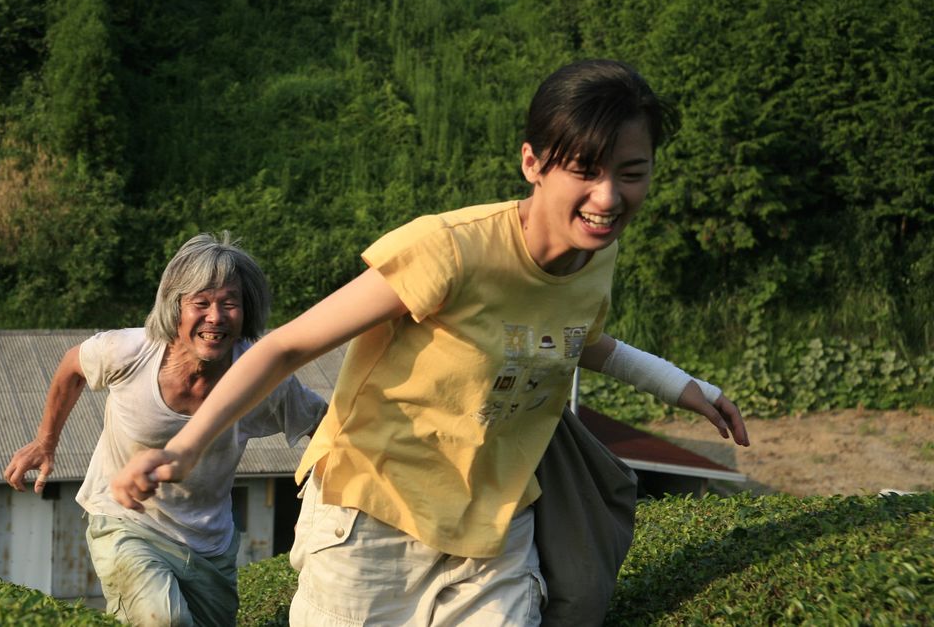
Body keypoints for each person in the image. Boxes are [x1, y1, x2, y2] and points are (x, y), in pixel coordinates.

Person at [109, 60, 751, 625]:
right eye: (584, 170)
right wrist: (186, 448)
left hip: (493, 530)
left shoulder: (596, 260)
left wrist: (684, 387)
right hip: (372, 518)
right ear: (532, 162)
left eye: (631, 173)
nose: (608, 197)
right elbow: (286, 347)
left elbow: (578, 342)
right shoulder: (450, 249)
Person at [3, 232, 327, 626]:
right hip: (127, 523)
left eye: (230, 303)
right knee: (166, 620)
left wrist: (323, 500)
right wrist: (45, 440)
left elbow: (324, 426)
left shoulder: (260, 376)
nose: (215, 317)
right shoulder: (128, 352)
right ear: (175, 308)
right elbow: (73, 367)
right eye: (201, 303)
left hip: (208, 542)